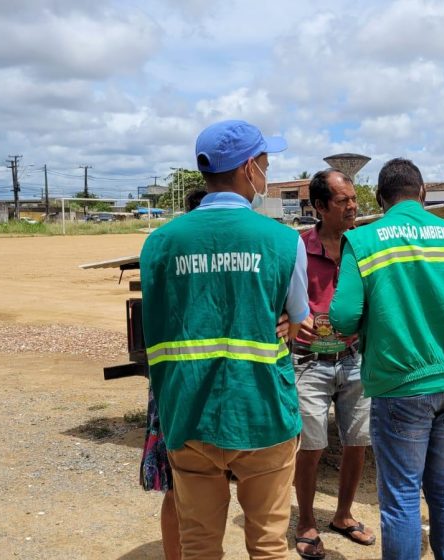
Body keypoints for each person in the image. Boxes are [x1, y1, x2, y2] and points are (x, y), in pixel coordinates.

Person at [139, 119, 310, 560]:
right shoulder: (283, 241)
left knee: (198, 545)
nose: (266, 175)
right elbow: (300, 319)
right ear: (249, 167)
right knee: (269, 544)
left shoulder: (159, 244)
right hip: (263, 413)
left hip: (187, 414)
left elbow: (159, 324)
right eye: (266, 164)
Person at [329, 158, 444, 559]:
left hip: (400, 385)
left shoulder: (364, 241)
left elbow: (343, 318)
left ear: (381, 200)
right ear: (421, 194)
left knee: (403, 494)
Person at [292, 169, 374, 559]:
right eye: (343, 201)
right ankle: (305, 521)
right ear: (320, 207)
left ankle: (342, 515)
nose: (353, 207)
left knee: (358, 441)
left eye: (354, 199)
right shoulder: (296, 248)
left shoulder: (362, 246)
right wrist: (292, 318)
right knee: (311, 446)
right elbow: (279, 298)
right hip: (309, 362)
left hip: (354, 358)